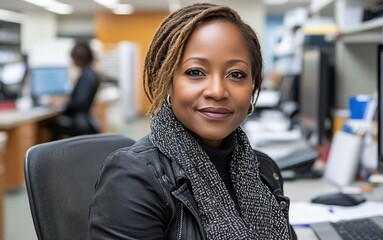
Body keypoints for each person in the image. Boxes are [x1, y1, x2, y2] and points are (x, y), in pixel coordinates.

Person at [88, 3, 296, 239]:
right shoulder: (134, 177)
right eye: (196, 72)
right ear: (167, 80)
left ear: (253, 86)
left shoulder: (264, 171)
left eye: (236, 74)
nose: (217, 91)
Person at [49, 41, 100, 139]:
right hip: (86, 119)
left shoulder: (86, 76)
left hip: (79, 122)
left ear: (78, 58)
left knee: (50, 125)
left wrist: (62, 105)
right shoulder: (90, 73)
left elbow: (79, 103)